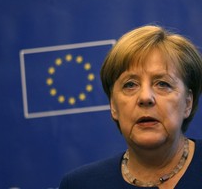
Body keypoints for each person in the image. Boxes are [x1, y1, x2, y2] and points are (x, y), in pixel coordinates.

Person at [59, 25, 202, 188]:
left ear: (187, 103)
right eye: (130, 85)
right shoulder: (80, 184)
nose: (145, 97)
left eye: (162, 83)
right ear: (113, 105)